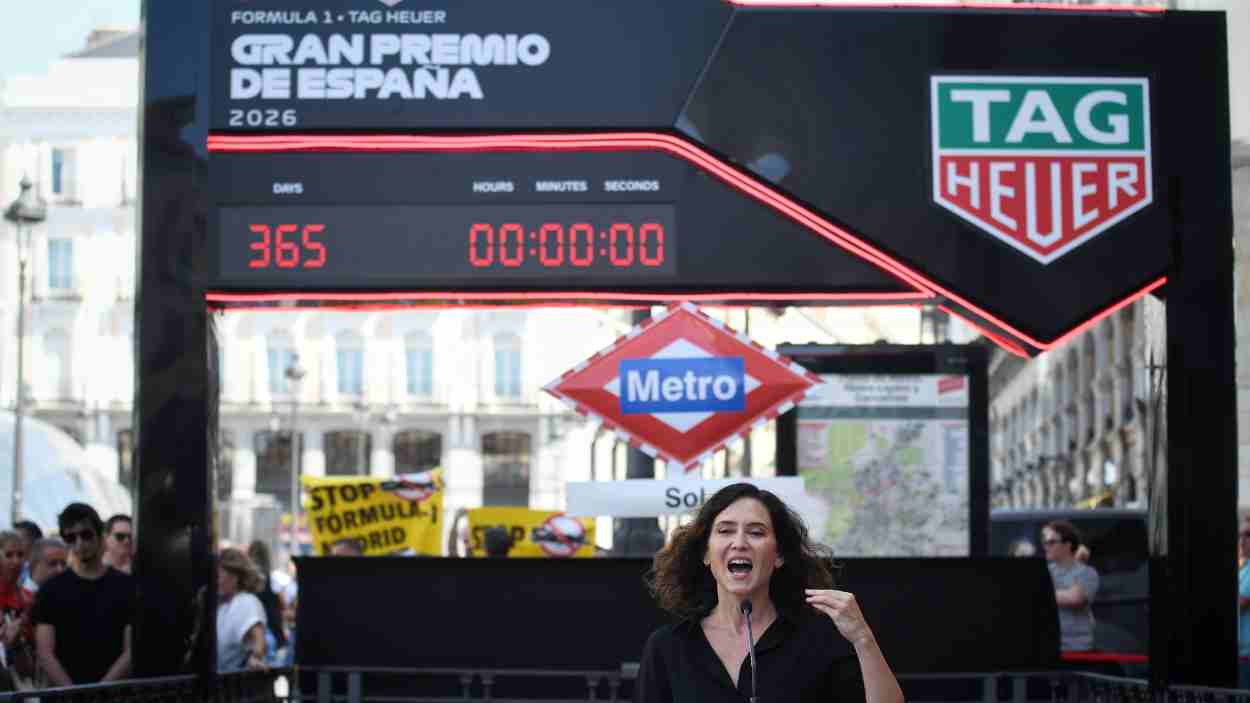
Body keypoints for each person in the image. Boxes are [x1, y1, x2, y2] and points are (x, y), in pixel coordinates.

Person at [635, 482, 904, 703]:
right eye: (725, 531)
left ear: (779, 556)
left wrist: (862, 639)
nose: (739, 543)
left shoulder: (819, 638)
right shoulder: (668, 647)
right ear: (706, 553)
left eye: (756, 532)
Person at [32, 503, 136, 685]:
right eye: (71, 538)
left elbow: (131, 649)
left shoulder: (126, 586)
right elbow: (45, 653)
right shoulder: (50, 590)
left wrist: (99, 691)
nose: (79, 543)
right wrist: (73, 693)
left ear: (100, 535)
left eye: (86, 535)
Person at [1041, 520, 1100, 653]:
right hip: (1049, 647)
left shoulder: (1087, 573)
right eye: (1044, 543)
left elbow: (1074, 598)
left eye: (1051, 542)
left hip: (1076, 649)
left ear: (1067, 545)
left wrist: (1041, 592)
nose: (1046, 547)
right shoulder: (1046, 571)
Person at [216, 548, 268, 672]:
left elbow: (258, 638)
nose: (215, 580)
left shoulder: (246, 602)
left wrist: (256, 657)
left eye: (219, 575)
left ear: (235, 576)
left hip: (234, 684)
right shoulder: (221, 605)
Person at [0, 531, 33, 689]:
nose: (16, 561)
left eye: (20, 555)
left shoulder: (28, 597)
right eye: (9, 555)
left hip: (21, 679)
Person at [247, 541, 288, 665]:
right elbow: (277, 609)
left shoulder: (247, 583)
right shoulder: (274, 581)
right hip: (270, 632)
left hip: (253, 633)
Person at [1237, 520, 1250, 688]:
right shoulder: (1243, 568)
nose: (1242, 539)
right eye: (1241, 534)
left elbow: (1239, 604)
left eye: (1248, 535)